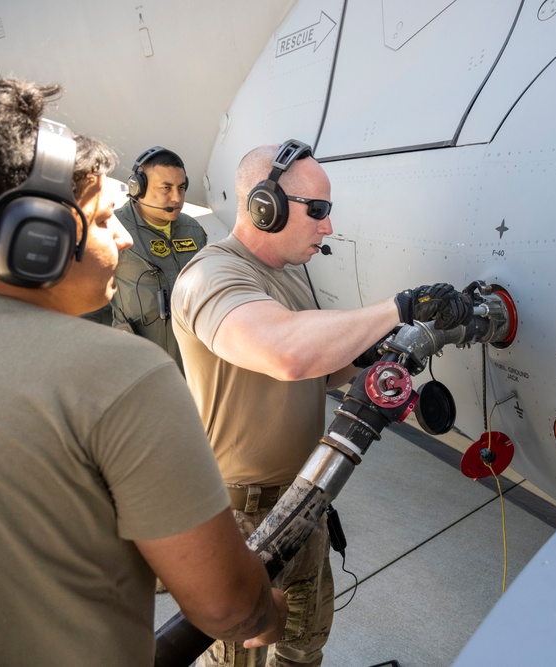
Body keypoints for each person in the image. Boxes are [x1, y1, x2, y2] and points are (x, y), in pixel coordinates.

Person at [0, 78, 287, 665]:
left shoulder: (192, 240)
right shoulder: (119, 376)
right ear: (35, 241)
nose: (122, 237)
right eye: (103, 221)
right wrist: (269, 610)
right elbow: (227, 605)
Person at [171, 139, 473, 667]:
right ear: (265, 206)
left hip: (307, 492)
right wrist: (397, 307)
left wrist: (372, 354)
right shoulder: (212, 276)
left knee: (303, 644)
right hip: (238, 518)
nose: (328, 226)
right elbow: (286, 353)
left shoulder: (285, 277)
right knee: (233, 658)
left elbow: (318, 372)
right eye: (318, 211)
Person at [84, 145, 207, 372]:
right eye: (166, 188)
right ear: (137, 188)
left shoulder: (193, 230)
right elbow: (88, 306)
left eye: (181, 187)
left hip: (193, 361)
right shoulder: (112, 229)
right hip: (136, 363)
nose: (176, 197)